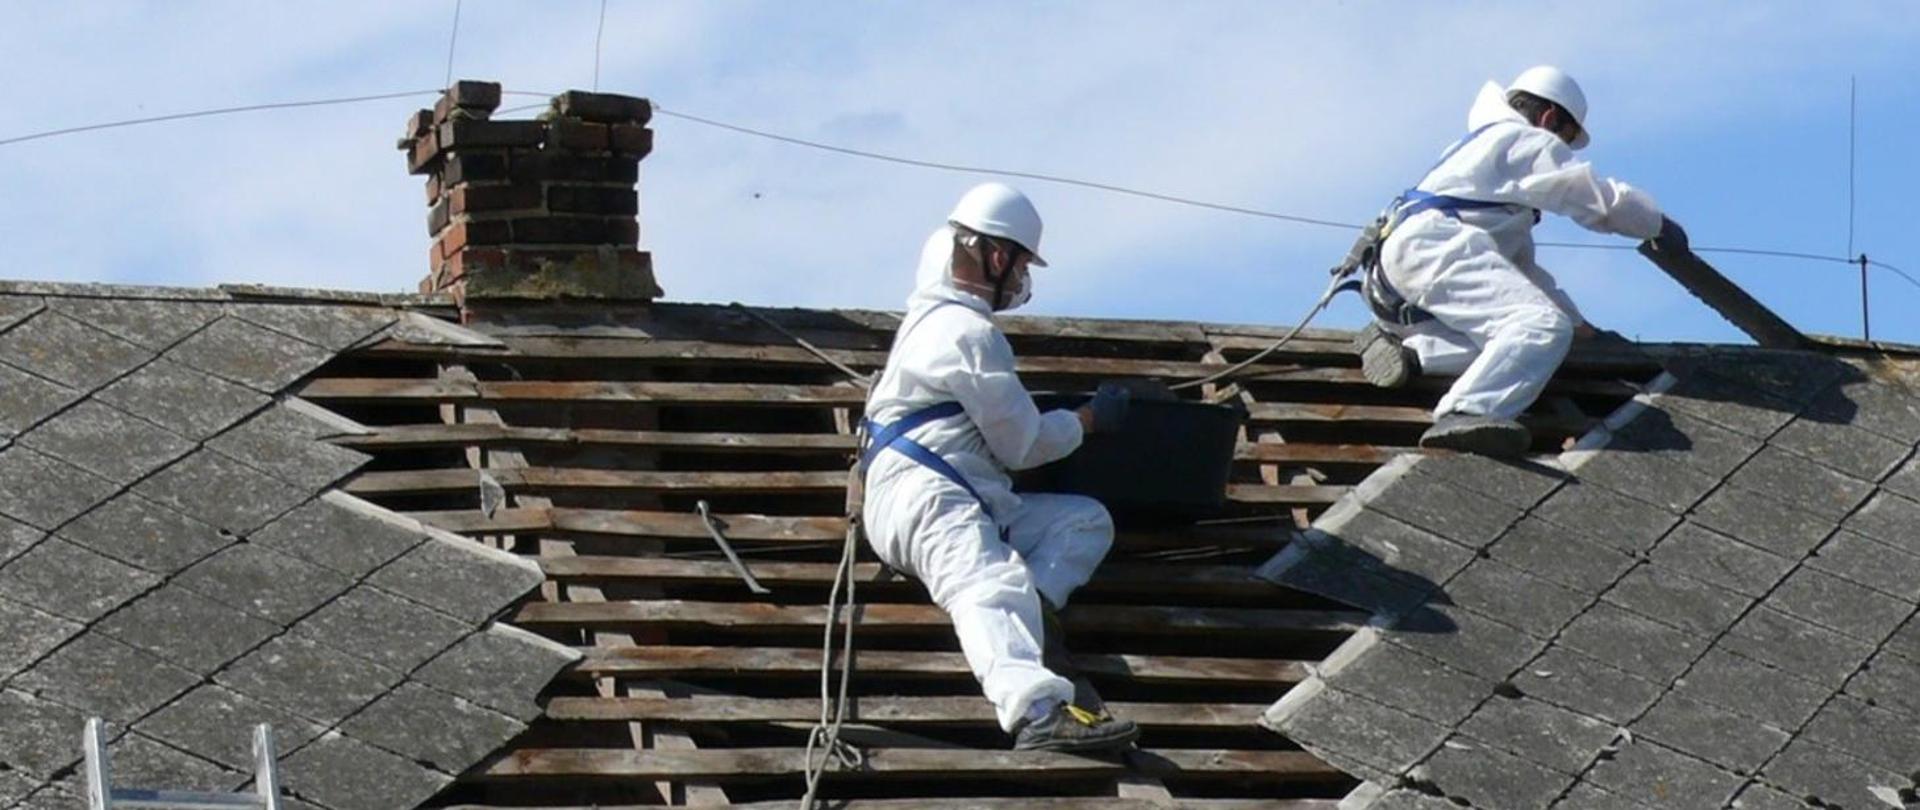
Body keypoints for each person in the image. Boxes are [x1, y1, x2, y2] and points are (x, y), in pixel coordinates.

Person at [860, 182, 1138, 752]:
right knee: (988, 582)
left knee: (1082, 521)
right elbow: (1022, 446)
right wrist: (1086, 421)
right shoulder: (965, 331)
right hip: (929, 499)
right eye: (1019, 265)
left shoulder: (934, 321)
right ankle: (1037, 712)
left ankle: (1033, 609)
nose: (1020, 281)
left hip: (961, 496)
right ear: (995, 256)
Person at [1356, 65, 1689, 456]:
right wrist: (1655, 224)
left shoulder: (1485, 159)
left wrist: (1579, 325)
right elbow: (1593, 198)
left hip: (1398, 274)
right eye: (1564, 137)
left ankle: (1412, 355)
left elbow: (1519, 273)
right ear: (1549, 119)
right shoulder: (1523, 140)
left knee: (1531, 340)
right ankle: (1466, 412)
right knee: (1541, 328)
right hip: (1435, 250)